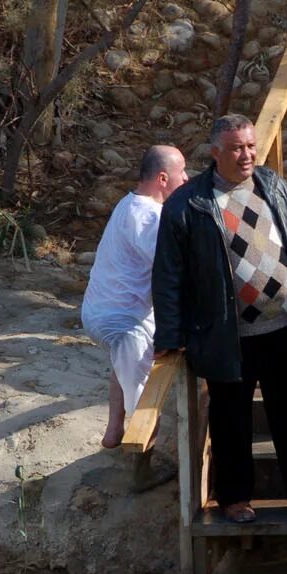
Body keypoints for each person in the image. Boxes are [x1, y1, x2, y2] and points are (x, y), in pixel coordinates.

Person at [152, 114, 287, 524]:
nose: (247, 155)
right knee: (230, 419)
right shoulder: (188, 205)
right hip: (228, 333)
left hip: (284, 324)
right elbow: (168, 275)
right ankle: (234, 497)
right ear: (216, 152)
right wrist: (170, 335)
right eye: (238, 148)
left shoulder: (271, 183)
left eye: (252, 146)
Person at [81, 145, 187, 448]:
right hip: (122, 319)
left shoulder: (129, 203)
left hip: (105, 313)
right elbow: (171, 269)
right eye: (183, 172)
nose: (187, 178)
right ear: (164, 178)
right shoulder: (148, 217)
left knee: (125, 362)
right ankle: (142, 468)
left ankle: (113, 432)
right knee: (144, 399)